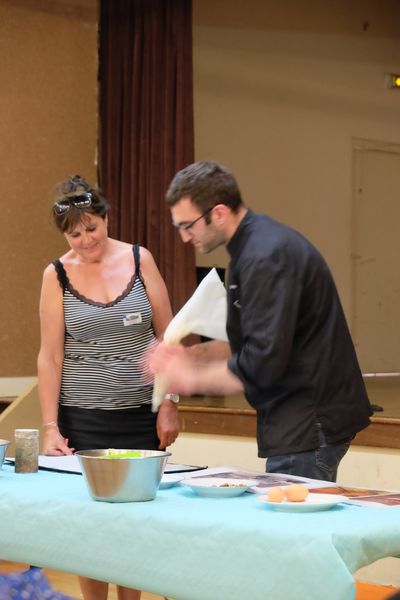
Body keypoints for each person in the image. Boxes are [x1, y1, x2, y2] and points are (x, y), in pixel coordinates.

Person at [150, 160, 372, 483]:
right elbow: (250, 343)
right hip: (296, 422)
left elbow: (262, 362)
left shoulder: (266, 255)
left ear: (219, 213)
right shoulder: (250, 250)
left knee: (290, 517)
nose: (184, 237)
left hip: (308, 423)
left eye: (188, 225)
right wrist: (191, 356)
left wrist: (192, 378)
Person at [37, 174, 179, 600]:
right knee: (90, 526)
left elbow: (168, 336)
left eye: (92, 228)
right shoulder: (56, 275)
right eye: (74, 235)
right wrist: (50, 427)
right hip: (82, 418)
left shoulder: (140, 259)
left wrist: (170, 401)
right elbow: (50, 357)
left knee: (135, 523)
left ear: (106, 218)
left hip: (140, 416)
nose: (86, 241)